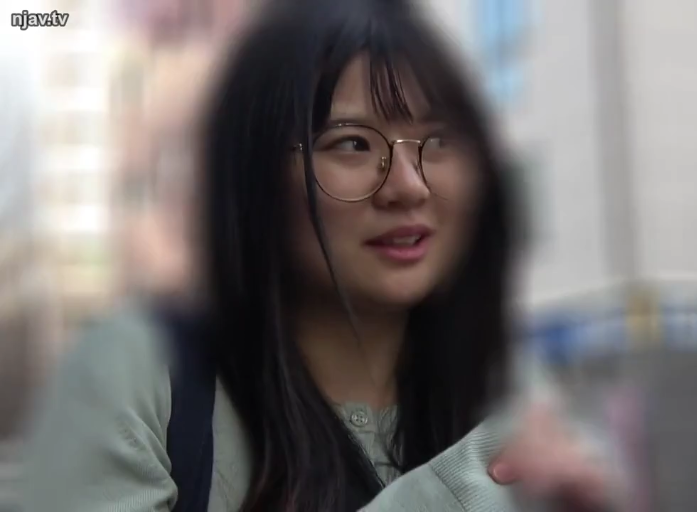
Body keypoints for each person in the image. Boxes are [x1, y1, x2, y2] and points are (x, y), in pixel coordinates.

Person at [22, 0, 618, 510]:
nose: (409, 185)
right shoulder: (136, 378)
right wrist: (447, 495)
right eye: (352, 143)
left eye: (437, 141)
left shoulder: (504, 385)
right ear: (254, 177)